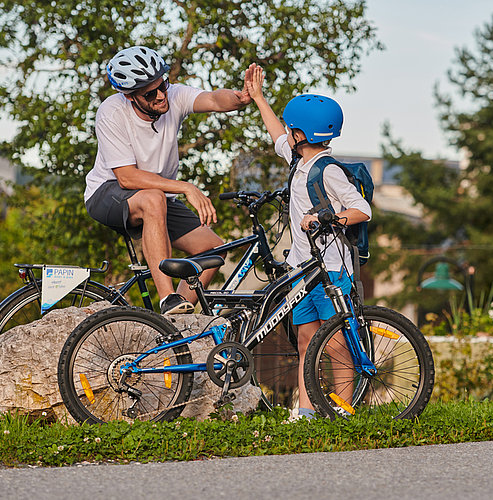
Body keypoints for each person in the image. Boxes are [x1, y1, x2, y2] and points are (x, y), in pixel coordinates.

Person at [84, 46, 252, 314]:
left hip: (157, 196)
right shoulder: (111, 112)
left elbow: (213, 100)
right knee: (153, 198)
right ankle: (168, 298)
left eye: (163, 85)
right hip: (107, 193)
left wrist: (238, 98)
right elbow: (126, 177)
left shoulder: (174, 96)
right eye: (150, 93)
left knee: (214, 249)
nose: (161, 95)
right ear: (129, 96)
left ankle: (176, 319)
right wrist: (187, 187)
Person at [246, 64, 371, 417]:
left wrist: (324, 218)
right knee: (304, 342)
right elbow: (275, 134)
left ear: (300, 134)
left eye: (291, 129)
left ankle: (344, 410)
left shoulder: (326, 169)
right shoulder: (297, 160)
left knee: (336, 347)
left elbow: (362, 209)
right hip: (302, 269)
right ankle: (305, 412)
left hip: (331, 271)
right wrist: (259, 98)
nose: (285, 132)